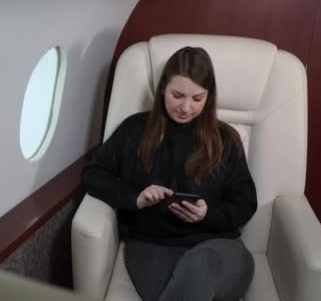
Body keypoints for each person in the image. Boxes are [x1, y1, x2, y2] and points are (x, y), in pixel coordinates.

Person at [82, 47, 257, 301]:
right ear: (163, 88)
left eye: (198, 98)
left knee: (200, 266)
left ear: (209, 97)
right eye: (177, 95)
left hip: (220, 247)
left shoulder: (225, 139)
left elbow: (246, 202)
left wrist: (208, 215)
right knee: (187, 289)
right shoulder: (134, 130)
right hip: (153, 247)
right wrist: (136, 198)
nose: (186, 107)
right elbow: (93, 174)